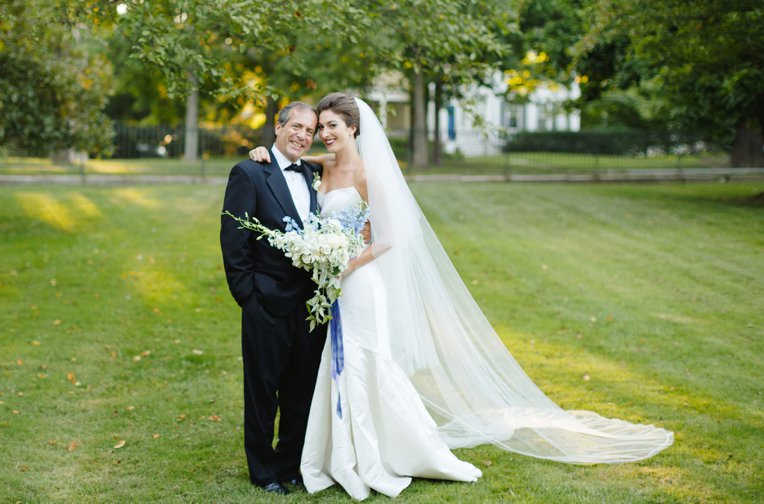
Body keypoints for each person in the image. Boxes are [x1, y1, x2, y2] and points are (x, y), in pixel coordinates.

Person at [248, 93, 674, 500]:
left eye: (332, 125)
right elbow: (290, 161)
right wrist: (261, 152)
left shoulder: (368, 173)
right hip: (331, 287)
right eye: (320, 127)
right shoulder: (320, 167)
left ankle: (386, 452)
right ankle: (336, 452)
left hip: (358, 282)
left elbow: (392, 236)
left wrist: (349, 264)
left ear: (354, 128)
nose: (323, 133)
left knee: (365, 360)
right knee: (335, 365)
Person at [220, 101, 328, 495]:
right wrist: (248, 295)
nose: (302, 134)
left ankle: (290, 464)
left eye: (310, 130)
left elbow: (345, 157)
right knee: (263, 389)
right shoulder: (250, 172)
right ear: (278, 127)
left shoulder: (316, 172)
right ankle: (263, 470)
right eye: (295, 126)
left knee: (301, 388)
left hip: (311, 305)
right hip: (265, 302)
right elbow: (234, 241)